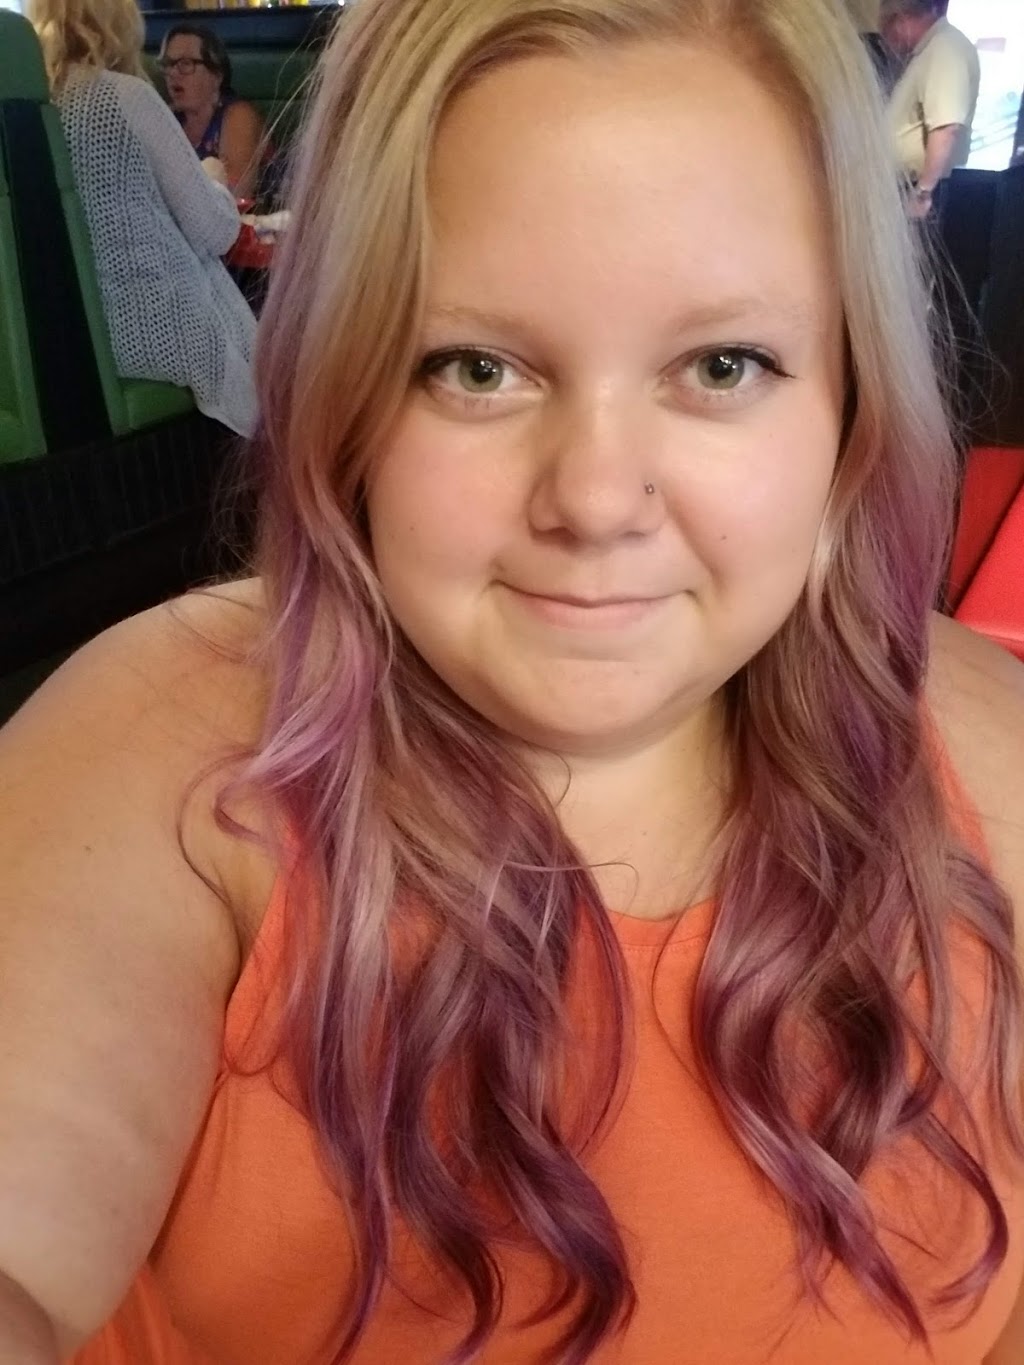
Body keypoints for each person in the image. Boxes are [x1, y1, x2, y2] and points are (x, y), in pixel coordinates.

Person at [1, 0, 1024, 1362]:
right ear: (350, 396)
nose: (594, 500)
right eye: (476, 368)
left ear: (848, 410)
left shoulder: (981, 755)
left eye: (721, 365)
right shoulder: (171, 749)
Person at [26, 0, 258, 438]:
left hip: (63, 339)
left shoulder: (31, 104)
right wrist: (211, 178)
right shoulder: (124, 97)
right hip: (157, 335)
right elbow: (216, 231)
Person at [880, 0, 981, 221]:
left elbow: (946, 127)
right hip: (910, 187)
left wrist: (922, 193)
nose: (886, 38)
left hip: (923, 194)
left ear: (901, 20)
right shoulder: (930, 49)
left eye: (886, 27)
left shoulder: (945, 48)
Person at [159, 23, 267, 202]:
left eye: (186, 64)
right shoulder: (167, 119)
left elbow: (236, 196)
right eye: (168, 64)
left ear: (217, 75)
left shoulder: (238, 115)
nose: (172, 73)